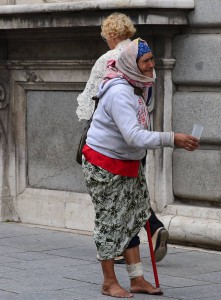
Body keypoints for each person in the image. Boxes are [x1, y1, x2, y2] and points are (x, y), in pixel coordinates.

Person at [81, 38, 199, 298]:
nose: (151, 65)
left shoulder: (138, 87)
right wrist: (172, 139)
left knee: (134, 218)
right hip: (105, 165)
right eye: (145, 61)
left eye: (152, 60)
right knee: (110, 223)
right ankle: (108, 282)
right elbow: (134, 136)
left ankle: (137, 279)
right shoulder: (120, 92)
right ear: (131, 64)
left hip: (127, 163)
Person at [76, 12, 169, 264]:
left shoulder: (110, 59)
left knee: (111, 202)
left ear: (111, 36)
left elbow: (91, 100)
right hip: (139, 137)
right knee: (131, 196)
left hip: (110, 144)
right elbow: (147, 97)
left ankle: (115, 256)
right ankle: (151, 228)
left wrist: (172, 138)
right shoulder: (144, 55)